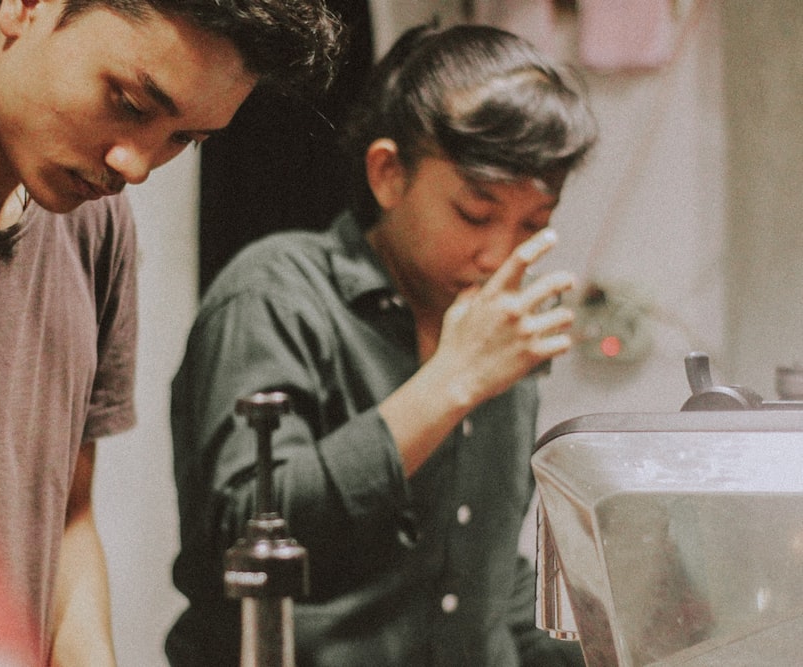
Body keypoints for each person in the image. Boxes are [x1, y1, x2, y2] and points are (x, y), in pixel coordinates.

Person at [0, 0, 342, 664]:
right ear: (30, 8)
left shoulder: (95, 226)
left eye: (185, 139)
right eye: (132, 104)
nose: (137, 164)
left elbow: (66, 516)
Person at [167, 22, 597, 667]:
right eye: (474, 215)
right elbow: (241, 538)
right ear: (388, 173)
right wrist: (448, 385)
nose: (500, 254)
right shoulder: (275, 294)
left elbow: (482, 572)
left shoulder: (499, 329)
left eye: (534, 224)